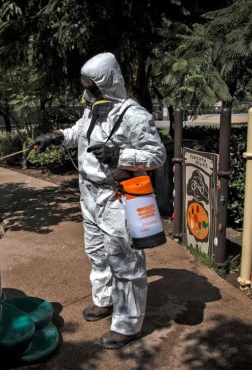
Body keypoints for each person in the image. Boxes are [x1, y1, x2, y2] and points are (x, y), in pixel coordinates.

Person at [32, 52, 166, 349]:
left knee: (125, 259)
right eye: (86, 85)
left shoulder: (134, 116)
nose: (87, 92)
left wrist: (121, 155)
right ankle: (104, 299)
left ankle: (128, 324)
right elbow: (80, 131)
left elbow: (157, 155)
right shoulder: (93, 109)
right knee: (96, 251)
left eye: (92, 86)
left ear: (108, 82)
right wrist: (55, 136)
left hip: (117, 195)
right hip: (89, 192)